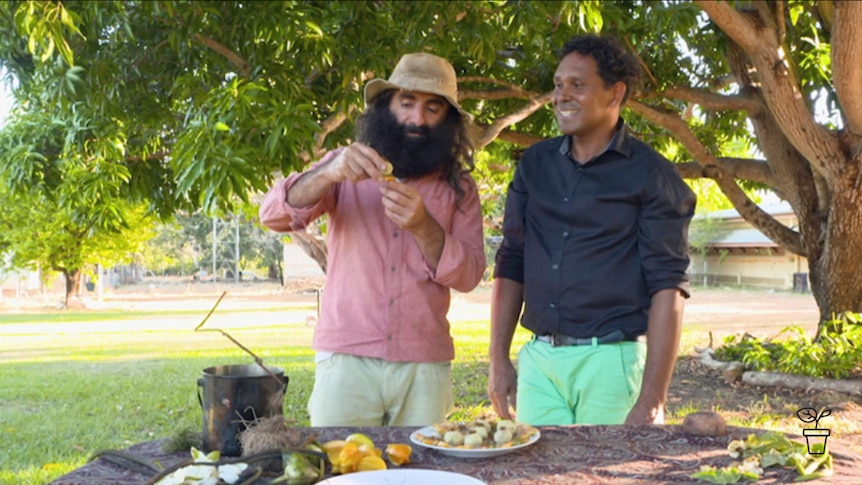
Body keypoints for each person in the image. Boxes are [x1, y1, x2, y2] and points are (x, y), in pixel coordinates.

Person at [259, 52, 486, 427]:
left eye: (433, 108)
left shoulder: (460, 188)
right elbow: (273, 214)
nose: (417, 118)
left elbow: (470, 275)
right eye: (407, 103)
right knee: (340, 470)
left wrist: (423, 225)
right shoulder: (344, 165)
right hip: (346, 358)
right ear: (386, 106)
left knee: (421, 473)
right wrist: (328, 173)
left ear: (448, 120)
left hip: (424, 363)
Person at [488, 34, 696, 426]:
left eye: (578, 85)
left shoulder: (653, 175)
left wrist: (653, 397)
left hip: (610, 363)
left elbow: (667, 286)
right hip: (539, 363)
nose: (561, 95)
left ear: (615, 94)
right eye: (558, 84)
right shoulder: (534, 165)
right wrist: (498, 358)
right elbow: (512, 259)